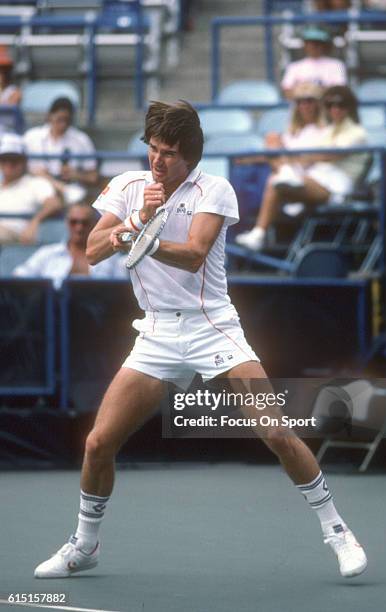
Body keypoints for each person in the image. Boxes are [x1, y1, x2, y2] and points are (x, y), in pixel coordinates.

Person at [33, 100, 367, 580]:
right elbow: (91, 250)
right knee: (98, 442)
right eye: (152, 149)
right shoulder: (128, 188)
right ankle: (84, 546)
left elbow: (192, 255)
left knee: (274, 430)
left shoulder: (216, 189)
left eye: (168, 153)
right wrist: (133, 224)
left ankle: (339, 534)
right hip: (157, 333)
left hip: (212, 326)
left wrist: (141, 236)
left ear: (189, 156)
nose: (157, 160)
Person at [235, 85, 368, 251]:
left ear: (350, 107)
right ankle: (258, 234)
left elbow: (326, 155)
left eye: (341, 105)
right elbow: (310, 157)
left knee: (276, 180)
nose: (335, 109)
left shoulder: (357, 132)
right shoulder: (331, 131)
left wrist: (292, 157)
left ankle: (258, 233)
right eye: (330, 105)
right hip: (318, 178)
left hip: (337, 188)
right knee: (275, 178)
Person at [13, 202, 127, 288]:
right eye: (74, 222)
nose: (79, 228)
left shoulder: (109, 257)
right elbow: (19, 276)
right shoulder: (48, 253)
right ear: (66, 222)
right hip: (54, 314)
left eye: (84, 222)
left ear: (94, 224)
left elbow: (120, 288)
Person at [24, 97, 99, 205]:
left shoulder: (81, 139)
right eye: (59, 119)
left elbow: (93, 177)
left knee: (77, 197)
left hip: (71, 189)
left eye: (67, 120)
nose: (63, 124)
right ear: (49, 116)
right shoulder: (31, 137)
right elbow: (15, 167)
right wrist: (39, 174)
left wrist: (76, 174)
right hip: (38, 187)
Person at [0, 133, 62, 244]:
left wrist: (35, 221)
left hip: (15, 233)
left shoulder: (35, 183)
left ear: (24, 162)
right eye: (4, 159)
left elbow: (54, 204)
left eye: (14, 160)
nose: (9, 164)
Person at [281, 27, 347, 99]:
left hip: (326, 108)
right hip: (300, 108)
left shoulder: (337, 65)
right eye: (310, 43)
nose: (314, 46)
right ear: (305, 45)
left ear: (325, 45)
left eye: (318, 43)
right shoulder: (294, 66)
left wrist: (311, 90)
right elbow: (287, 92)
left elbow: (339, 91)